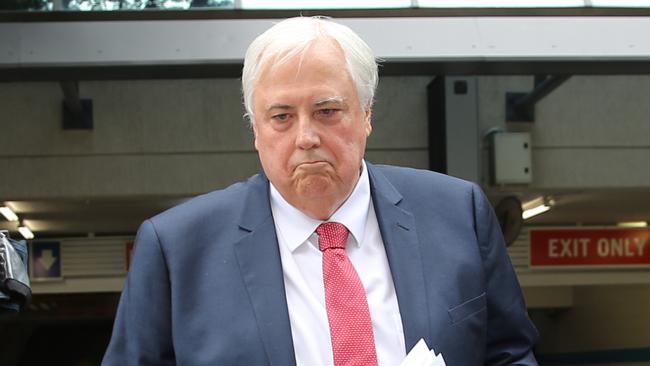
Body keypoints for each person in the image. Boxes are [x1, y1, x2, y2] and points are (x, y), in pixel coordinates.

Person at [102, 16, 538, 366]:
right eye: (281, 117)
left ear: (366, 114)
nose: (306, 136)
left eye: (327, 111)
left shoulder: (457, 213)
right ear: (255, 129)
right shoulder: (177, 248)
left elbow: (509, 353)